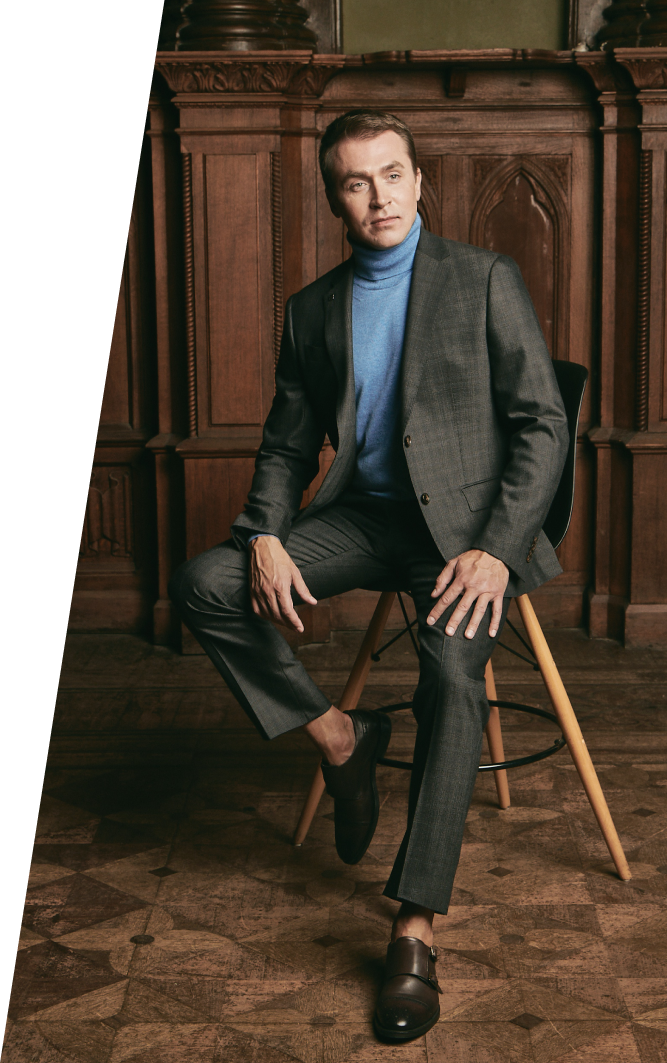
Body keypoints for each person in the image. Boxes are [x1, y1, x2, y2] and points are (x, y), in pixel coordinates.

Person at [170, 109, 569, 1043]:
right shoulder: (312, 309)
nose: (379, 196)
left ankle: (415, 927)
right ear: (335, 200)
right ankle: (342, 737)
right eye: (356, 182)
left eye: (392, 175)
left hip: (462, 538)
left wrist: (496, 547)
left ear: (419, 182)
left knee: (451, 676)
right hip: (362, 519)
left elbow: (543, 423)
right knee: (205, 581)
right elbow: (285, 445)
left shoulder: (482, 278)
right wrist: (264, 532)